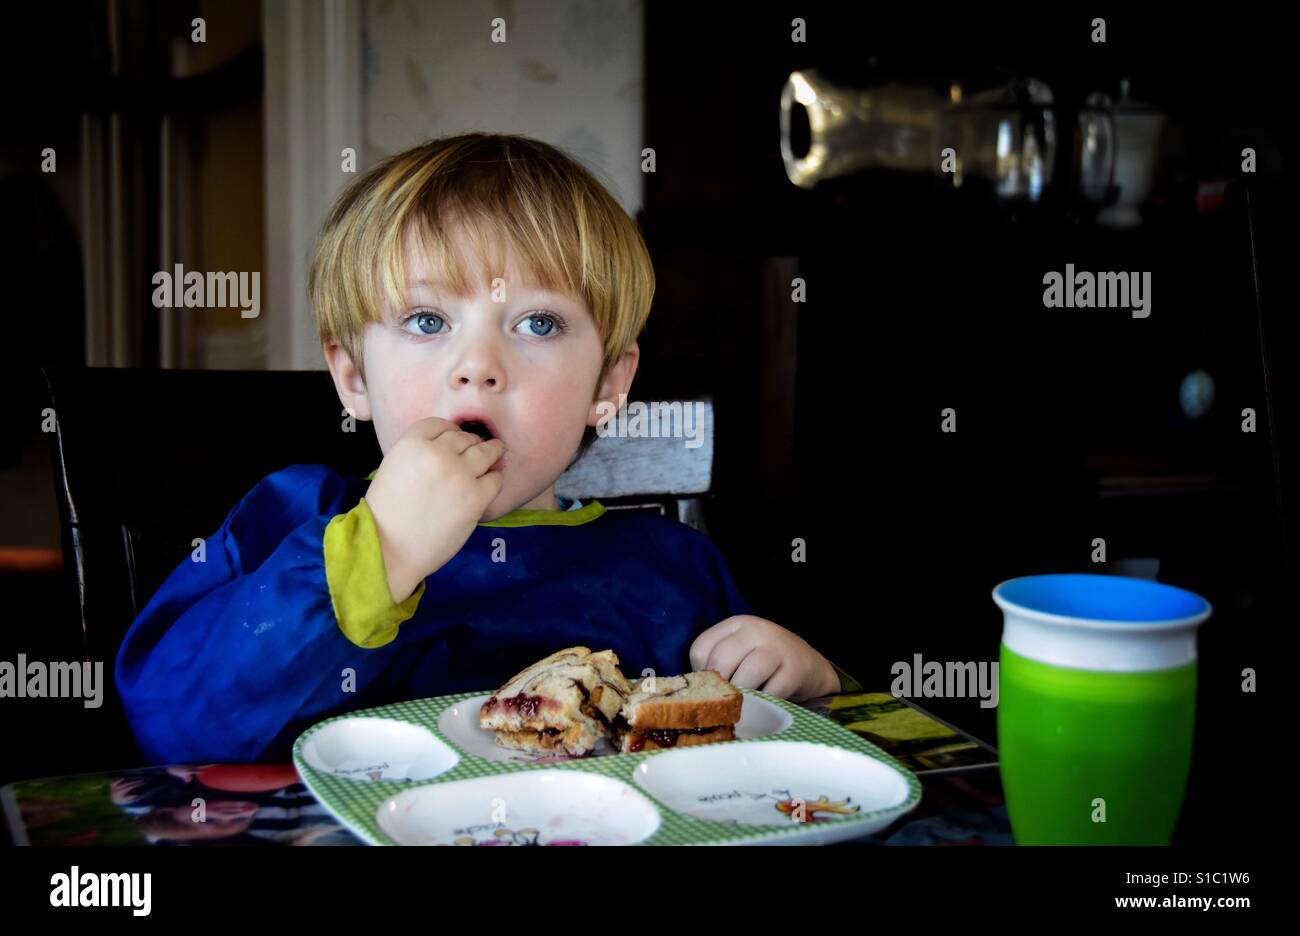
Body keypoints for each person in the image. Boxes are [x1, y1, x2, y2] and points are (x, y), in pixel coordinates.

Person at [117, 133, 859, 765]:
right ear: (353, 379)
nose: (478, 365)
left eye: (537, 324)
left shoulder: (672, 567)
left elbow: (758, 758)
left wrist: (810, 683)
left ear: (608, 382)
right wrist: (382, 550)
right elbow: (171, 724)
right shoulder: (292, 516)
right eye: (428, 321)